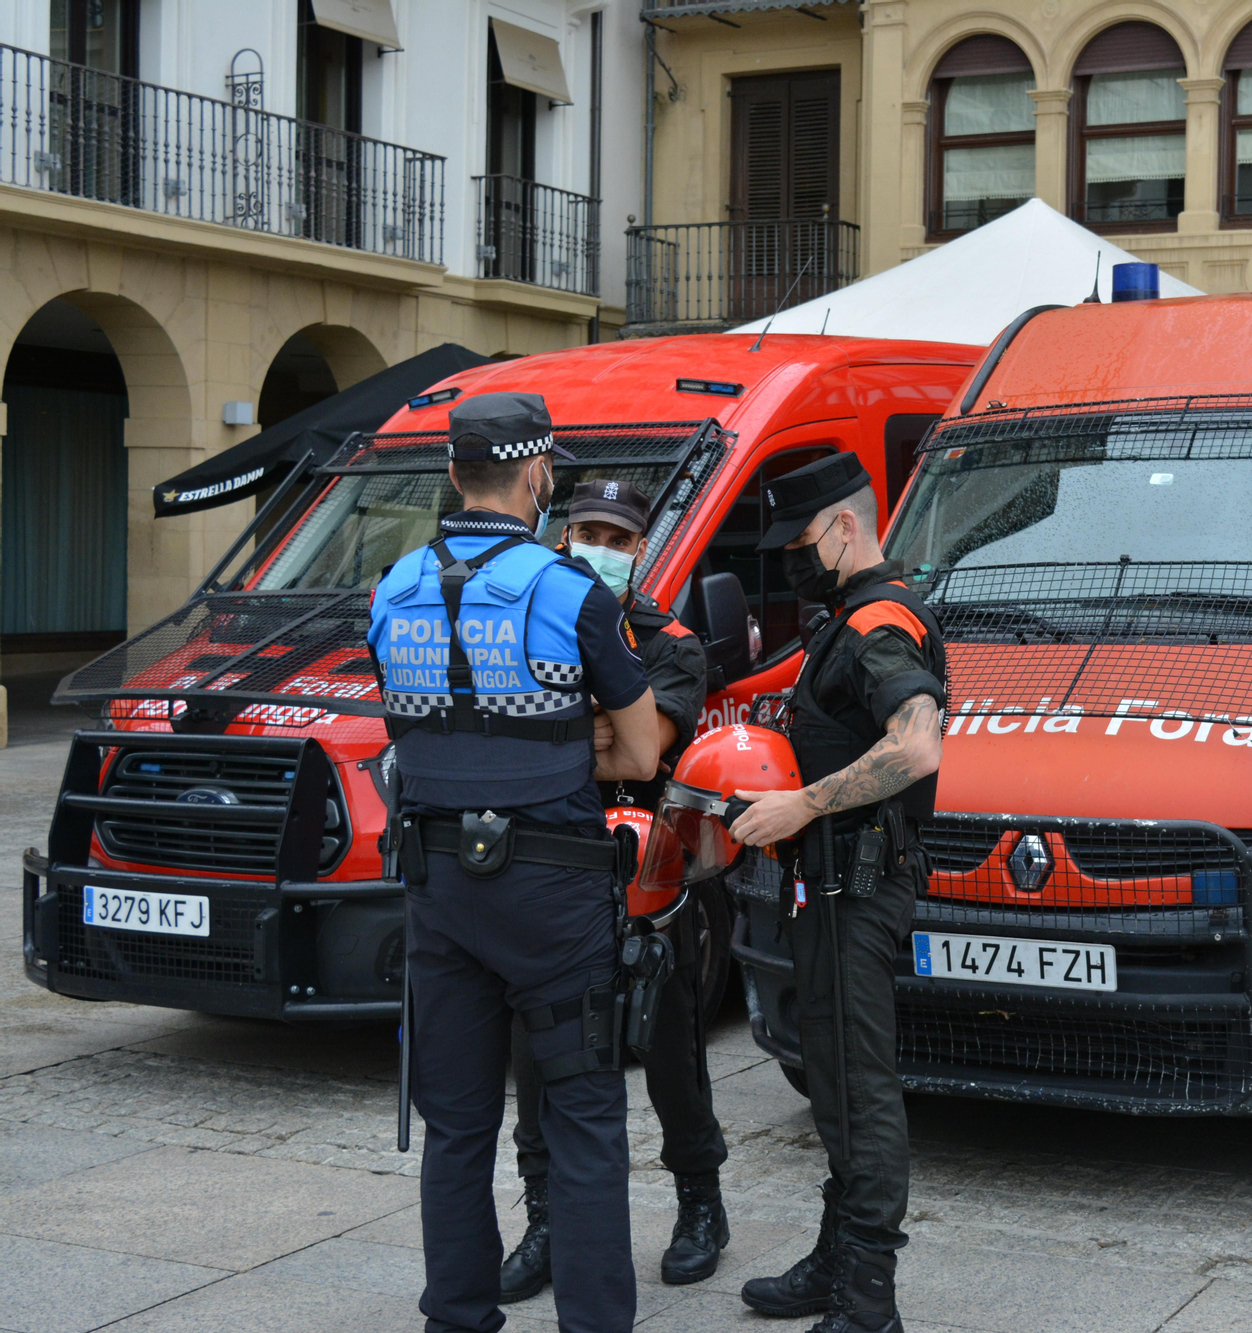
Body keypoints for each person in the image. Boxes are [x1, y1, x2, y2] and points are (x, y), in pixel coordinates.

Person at [369, 392, 658, 1333]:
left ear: (454, 473)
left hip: (438, 886)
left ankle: (456, 1316)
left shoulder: (391, 588)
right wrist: (568, 747)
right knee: (582, 1119)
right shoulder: (574, 592)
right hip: (553, 890)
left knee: (456, 1125)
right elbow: (641, 752)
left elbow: (414, 734)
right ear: (538, 474)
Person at [500, 478, 732, 1302]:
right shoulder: (526, 621)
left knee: (670, 1054)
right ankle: (545, 1220)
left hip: (651, 881)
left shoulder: (673, 643)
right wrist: (592, 731)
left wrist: (544, 733)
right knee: (538, 1057)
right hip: (550, 872)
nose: (600, 548)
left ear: (641, 548)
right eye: (587, 532)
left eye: (617, 538)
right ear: (564, 536)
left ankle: (700, 1203)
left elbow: (645, 747)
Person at [729, 453, 945, 1333]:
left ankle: (868, 1299)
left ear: (846, 527)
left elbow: (917, 744)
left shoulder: (878, 621)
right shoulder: (846, 619)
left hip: (858, 880)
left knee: (859, 1083)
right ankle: (838, 1255)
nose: (793, 560)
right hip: (827, 881)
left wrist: (804, 804)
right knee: (833, 1077)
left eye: (802, 542)